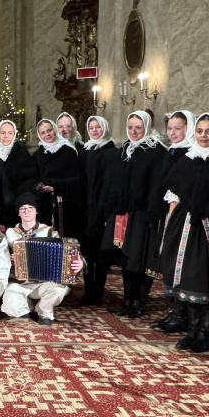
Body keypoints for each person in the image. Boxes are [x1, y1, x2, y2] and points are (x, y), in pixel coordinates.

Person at [158, 113, 209, 353]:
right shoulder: (189, 158)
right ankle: (192, 330)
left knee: (206, 281)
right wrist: (169, 227)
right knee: (186, 278)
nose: (204, 136)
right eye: (199, 131)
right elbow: (174, 195)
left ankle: (205, 333)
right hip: (183, 226)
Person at [100, 110, 168, 318]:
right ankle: (128, 299)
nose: (134, 131)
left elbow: (156, 185)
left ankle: (140, 300)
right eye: (130, 127)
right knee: (125, 257)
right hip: (122, 213)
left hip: (142, 214)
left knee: (140, 257)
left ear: (147, 127)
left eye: (138, 127)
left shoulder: (156, 151)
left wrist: (151, 213)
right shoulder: (125, 149)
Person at [1, 193, 84, 324]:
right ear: (18, 213)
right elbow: (1, 255)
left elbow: (67, 251)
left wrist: (80, 263)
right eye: (23, 208)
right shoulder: (10, 233)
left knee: (60, 289)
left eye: (30, 208)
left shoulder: (48, 231)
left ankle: (44, 310)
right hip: (19, 282)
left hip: (44, 282)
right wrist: (10, 260)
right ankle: (27, 304)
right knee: (12, 310)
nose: (27, 211)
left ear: (36, 211)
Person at [147, 110, 195, 330]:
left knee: (179, 263)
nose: (173, 133)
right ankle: (173, 312)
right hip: (167, 214)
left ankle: (182, 315)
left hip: (182, 217)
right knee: (168, 262)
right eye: (170, 128)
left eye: (178, 128)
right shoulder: (172, 151)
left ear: (188, 128)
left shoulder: (191, 153)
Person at [81, 115, 118, 305]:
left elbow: (111, 185)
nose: (95, 130)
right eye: (91, 127)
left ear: (104, 128)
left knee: (101, 255)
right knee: (87, 253)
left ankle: (99, 292)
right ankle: (88, 290)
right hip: (86, 210)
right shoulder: (86, 150)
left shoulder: (111, 152)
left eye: (98, 127)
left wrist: (104, 211)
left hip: (102, 210)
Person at [33, 119, 84, 239]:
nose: (47, 134)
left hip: (67, 202)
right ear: (39, 135)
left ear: (55, 130)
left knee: (67, 238)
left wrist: (55, 187)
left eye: (49, 130)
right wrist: (38, 186)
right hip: (45, 203)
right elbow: (34, 177)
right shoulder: (37, 155)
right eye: (43, 132)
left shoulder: (68, 151)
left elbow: (76, 179)